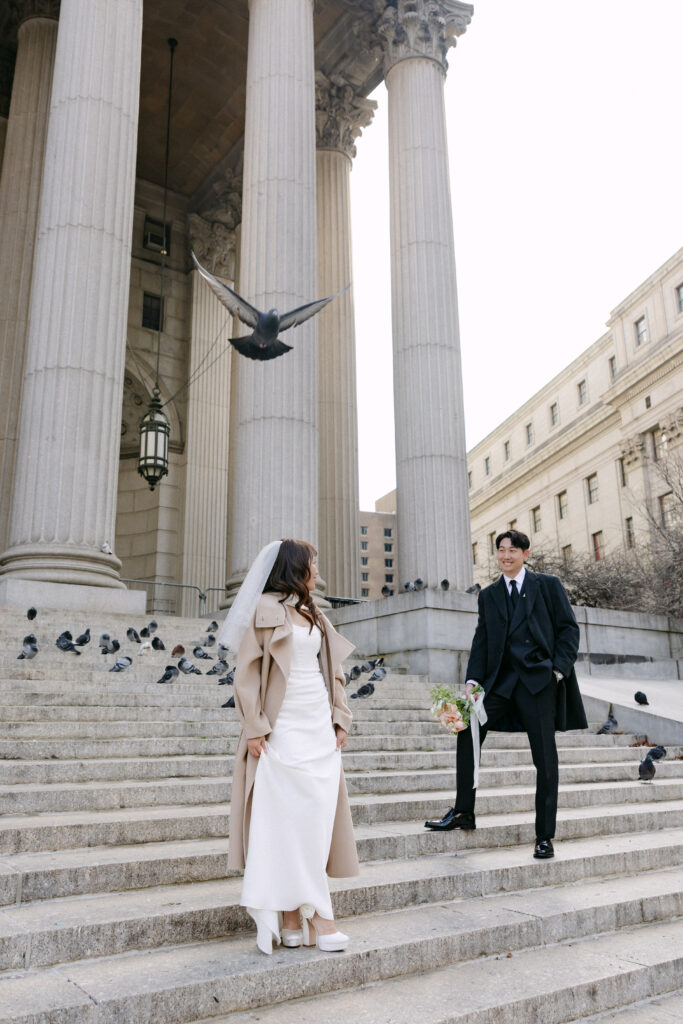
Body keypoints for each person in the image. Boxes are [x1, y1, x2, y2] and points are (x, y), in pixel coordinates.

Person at [223, 538, 359, 954]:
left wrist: (340, 717)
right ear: (296, 568)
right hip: (282, 729)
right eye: (312, 564)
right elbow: (245, 673)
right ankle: (318, 919)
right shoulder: (267, 609)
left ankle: (290, 918)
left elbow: (333, 670)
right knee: (288, 822)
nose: (317, 571)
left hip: (318, 724)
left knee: (315, 821)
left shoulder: (313, 612)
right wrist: (255, 728)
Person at [425, 529, 587, 859]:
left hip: (538, 682)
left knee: (545, 758)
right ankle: (463, 812)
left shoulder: (548, 586)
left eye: (513, 550)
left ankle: (544, 835)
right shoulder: (489, 595)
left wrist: (557, 670)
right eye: (501, 550)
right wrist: (472, 681)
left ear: (526, 554)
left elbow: (569, 628)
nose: (506, 555)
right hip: (500, 684)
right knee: (467, 731)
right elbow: (482, 640)